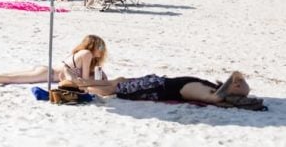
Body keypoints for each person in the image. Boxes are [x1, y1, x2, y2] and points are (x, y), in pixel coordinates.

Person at [0, 35, 108, 88]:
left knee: (6, 75)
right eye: (100, 46)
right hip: (49, 74)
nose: (102, 49)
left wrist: (99, 72)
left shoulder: (81, 52)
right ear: (93, 45)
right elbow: (85, 80)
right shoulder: (87, 54)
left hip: (45, 69)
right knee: (9, 78)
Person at [71, 70, 252, 106]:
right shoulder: (209, 91)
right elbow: (215, 99)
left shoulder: (209, 87)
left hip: (155, 83)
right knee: (115, 88)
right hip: (154, 86)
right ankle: (82, 84)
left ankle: (84, 83)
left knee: (120, 82)